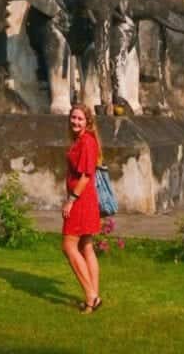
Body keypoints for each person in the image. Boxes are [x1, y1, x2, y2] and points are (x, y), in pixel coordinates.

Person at [61, 103, 102, 313]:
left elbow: (86, 175)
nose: (75, 122)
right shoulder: (81, 140)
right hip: (84, 199)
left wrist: (71, 200)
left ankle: (90, 296)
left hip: (81, 200)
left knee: (69, 246)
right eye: (73, 118)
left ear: (88, 122)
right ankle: (93, 298)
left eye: (80, 119)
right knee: (86, 247)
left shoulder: (86, 142)